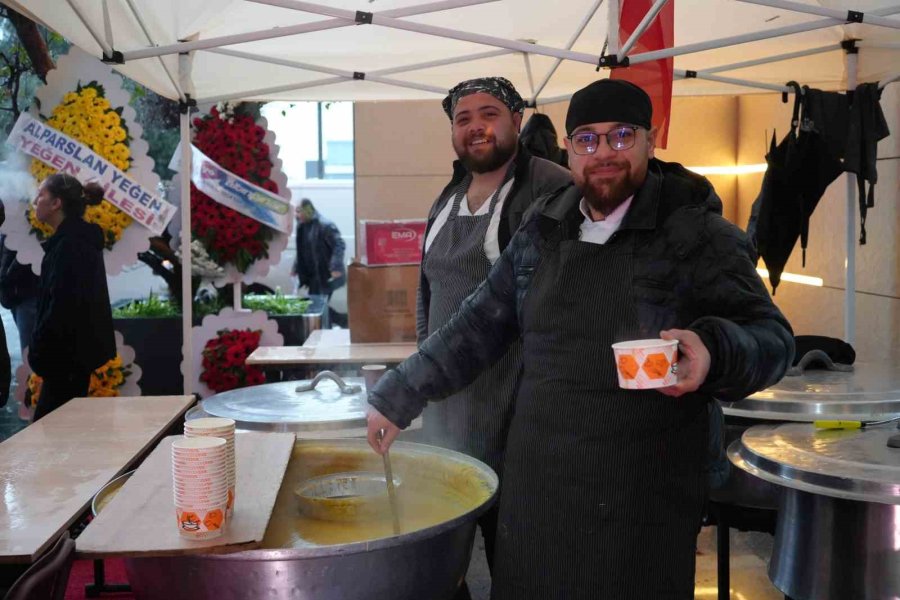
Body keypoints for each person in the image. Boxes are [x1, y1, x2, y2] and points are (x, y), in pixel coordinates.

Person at [366, 79, 794, 599]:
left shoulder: (697, 235)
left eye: (621, 136)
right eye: (587, 139)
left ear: (650, 140)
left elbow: (772, 338)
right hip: (539, 487)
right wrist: (398, 394)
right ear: (569, 148)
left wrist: (711, 351)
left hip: (643, 498)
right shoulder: (543, 228)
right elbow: (477, 325)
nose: (604, 153)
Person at [417, 75, 570, 595]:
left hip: (515, 424)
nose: (475, 127)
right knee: (444, 565)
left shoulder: (549, 186)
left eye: (489, 114)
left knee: (521, 568)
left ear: (516, 122)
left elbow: (552, 306)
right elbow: (428, 297)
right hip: (447, 423)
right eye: (463, 119)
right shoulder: (449, 195)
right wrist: (421, 380)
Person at [30, 174, 115, 421]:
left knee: (51, 431)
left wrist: (39, 349)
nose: (36, 200)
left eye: (41, 195)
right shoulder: (73, 241)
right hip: (69, 359)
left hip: (64, 360)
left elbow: (62, 308)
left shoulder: (71, 245)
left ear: (57, 203)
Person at [291, 198, 347, 326]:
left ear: (308, 210)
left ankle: (334, 323)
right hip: (313, 276)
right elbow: (302, 250)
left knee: (317, 304)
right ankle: (335, 322)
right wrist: (295, 268)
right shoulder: (303, 227)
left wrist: (335, 267)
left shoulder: (325, 226)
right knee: (317, 304)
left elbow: (339, 244)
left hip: (326, 275)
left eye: (299, 211)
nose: (296, 215)